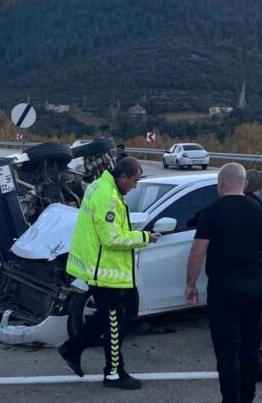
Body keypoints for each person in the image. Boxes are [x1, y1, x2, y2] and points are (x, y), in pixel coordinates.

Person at [185, 163, 262, 403]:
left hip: (222, 290)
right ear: (245, 184)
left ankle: (230, 399)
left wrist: (190, 285)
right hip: (253, 289)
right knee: (250, 350)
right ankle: (247, 397)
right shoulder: (260, 211)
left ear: (220, 184)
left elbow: (197, 253)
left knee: (226, 351)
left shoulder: (211, 211)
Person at [59, 157, 159, 390]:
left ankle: (71, 348)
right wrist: (144, 237)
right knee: (115, 322)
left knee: (107, 318)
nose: (135, 186)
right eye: (134, 181)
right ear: (123, 177)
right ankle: (114, 373)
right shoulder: (109, 197)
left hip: (100, 267)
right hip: (104, 271)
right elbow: (112, 238)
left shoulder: (100, 186)